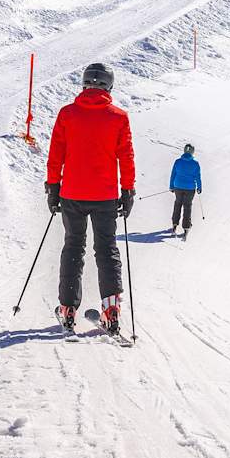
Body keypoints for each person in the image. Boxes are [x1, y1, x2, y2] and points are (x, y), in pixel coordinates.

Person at [45, 62, 136, 334]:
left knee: (73, 247)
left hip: (72, 193)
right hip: (106, 196)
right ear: (109, 86)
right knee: (106, 249)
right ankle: (111, 312)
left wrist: (53, 188)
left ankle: (68, 310)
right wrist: (128, 190)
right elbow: (126, 157)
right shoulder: (118, 117)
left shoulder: (67, 114)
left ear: (84, 84)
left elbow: (56, 154)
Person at [169, 143, 202, 238]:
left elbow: (173, 174)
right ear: (192, 152)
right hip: (190, 188)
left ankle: (174, 224)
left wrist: (171, 186)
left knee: (178, 204)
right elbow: (198, 177)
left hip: (178, 187)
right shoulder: (195, 164)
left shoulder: (178, 161)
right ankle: (186, 227)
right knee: (187, 206)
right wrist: (199, 187)